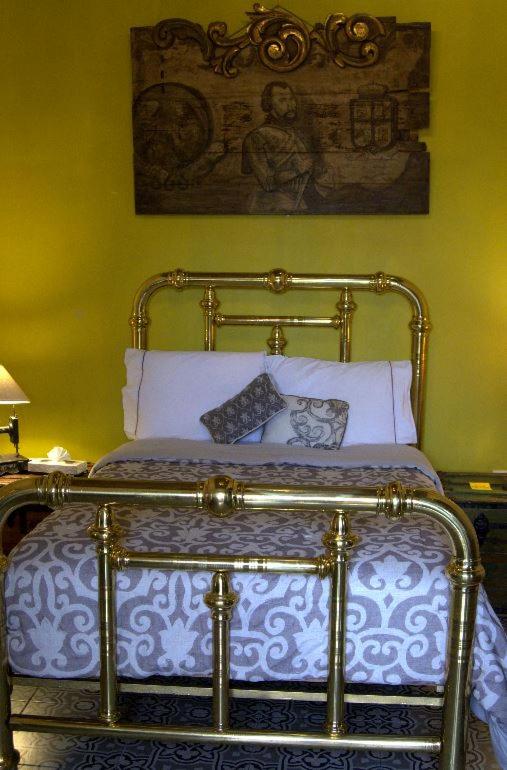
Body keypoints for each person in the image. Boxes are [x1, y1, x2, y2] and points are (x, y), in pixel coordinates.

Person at [242, 81, 314, 213]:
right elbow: (268, 183)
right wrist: (298, 170)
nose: (291, 105)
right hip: (269, 209)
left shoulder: (296, 134)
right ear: (269, 105)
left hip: (299, 206)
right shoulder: (257, 137)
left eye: (291, 99)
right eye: (282, 100)